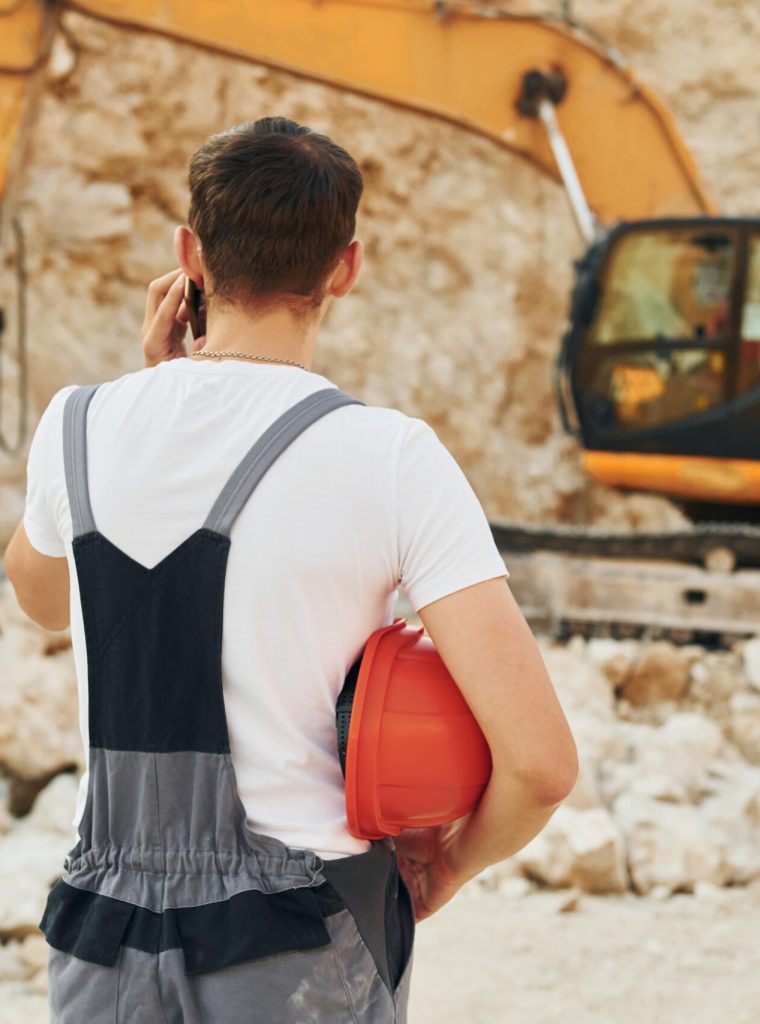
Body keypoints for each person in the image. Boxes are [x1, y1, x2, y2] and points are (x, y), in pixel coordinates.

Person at [3, 116, 578, 1023]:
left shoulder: (75, 426)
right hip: (294, 952)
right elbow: (541, 764)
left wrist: (145, 395)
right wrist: (451, 863)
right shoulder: (389, 456)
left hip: (102, 950)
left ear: (190, 255)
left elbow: (41, 599)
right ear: (344, 269)